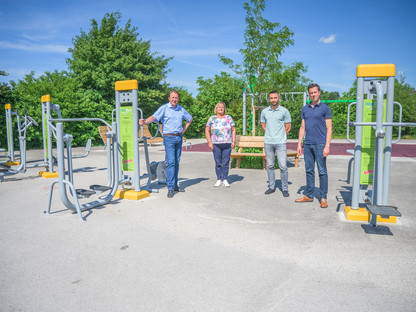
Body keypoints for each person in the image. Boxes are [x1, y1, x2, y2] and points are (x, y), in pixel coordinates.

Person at [139, 90, 192, 198]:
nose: (174, 99)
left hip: (178, 137)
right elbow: (154, 117)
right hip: (168, 138)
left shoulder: (181, 109)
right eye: (172, 97)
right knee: (171, 162)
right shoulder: (164, 108)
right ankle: (171, 188)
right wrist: (145, 121)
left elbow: (189, 119)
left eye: (176, 97)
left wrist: (183, 130)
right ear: (169, 98)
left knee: (176, 162)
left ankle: (175, 185)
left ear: (178, 99)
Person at [295, 83, 332, 208]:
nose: (313, 94)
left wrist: (327, 146)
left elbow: (329, 128)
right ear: (309, 94)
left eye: (315, 92)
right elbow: (302, 127)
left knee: (322, 171)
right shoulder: (305, 108)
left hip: (320, 144)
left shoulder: (325, 108)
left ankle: (323, 197)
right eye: (311, 93)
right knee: (309, 170)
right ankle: (309, 195)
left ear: (319, 92)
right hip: (308, 144)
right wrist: (299, 144)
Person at [260, 91, 292, 197]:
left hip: (281, 143)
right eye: (271, 98)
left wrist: (281, 135)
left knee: (283, 166)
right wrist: (269, 134)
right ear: (269, 99)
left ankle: (285, 188)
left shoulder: (284, 111)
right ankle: (272, 187)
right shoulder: (265, 111)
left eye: (275, 98)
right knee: (270, 166)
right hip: (268, 142)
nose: (273, 100)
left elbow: (288, 126)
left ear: (279, 98)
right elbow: (263, 124)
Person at [205, 102, 236, 187]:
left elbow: (233, 130)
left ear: (224, 109)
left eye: (222, 107)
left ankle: (225, 179)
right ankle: (219, 179)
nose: (221, 109)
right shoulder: (212, 118)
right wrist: (209, 142)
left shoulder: (229, 118)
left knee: (226, 163)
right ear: (216, 109)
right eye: (219, 107)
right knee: (218, 162)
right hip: (216, 144)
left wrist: (233, 141)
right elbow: (207, 131)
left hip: (227, 143)